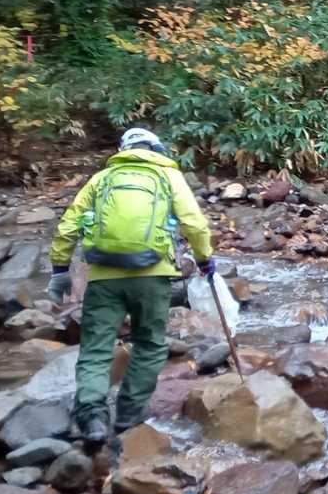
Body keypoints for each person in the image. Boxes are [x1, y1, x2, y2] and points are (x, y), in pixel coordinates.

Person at [47, 127, 214, 443]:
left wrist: (59, 268)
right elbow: (194, 223)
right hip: (152, 275)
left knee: (96, 348)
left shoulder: (102, 179)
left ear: (123, 150)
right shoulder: (168, 176)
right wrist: (205, 259)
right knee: (149, 344)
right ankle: (128, 416)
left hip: (104, 276)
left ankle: (92, 418)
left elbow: (69, 225)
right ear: (156, 149)